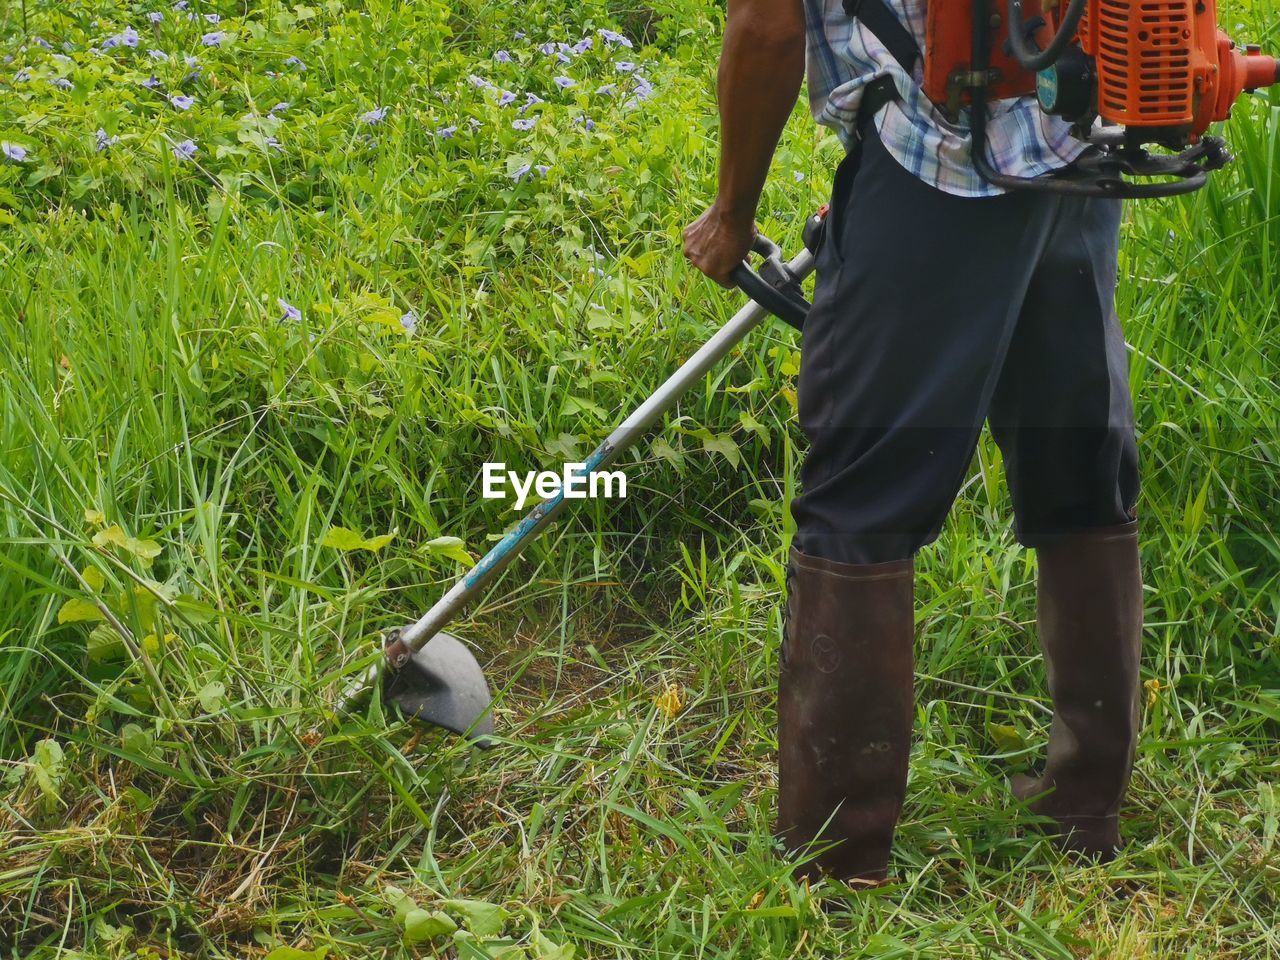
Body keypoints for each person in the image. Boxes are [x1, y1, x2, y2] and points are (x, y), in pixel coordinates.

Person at [682, 0, 1143, 884]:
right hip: (1081, 148)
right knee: (1077, 460)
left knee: (859, 503)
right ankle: (1086, 803)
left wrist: (732, 211)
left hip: (944, 171)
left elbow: (770, 27)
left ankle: (834, 866)